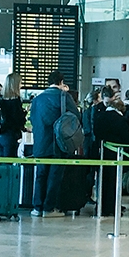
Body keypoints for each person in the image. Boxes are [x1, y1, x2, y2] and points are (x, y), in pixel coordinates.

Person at [29, 70, 80, 218]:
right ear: (61, 82)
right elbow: (75, 117)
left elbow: (33, 119)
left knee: (41, 175)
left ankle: (37, 207)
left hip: (40, 143)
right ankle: (49, 208)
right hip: (58, 143)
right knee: (55, 176)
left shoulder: (37, 99)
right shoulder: (64, 97)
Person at [93, 86, 129, 216]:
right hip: (116, 155)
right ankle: (112, 207)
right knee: (114, 182)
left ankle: (101, 206)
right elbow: (126, 137)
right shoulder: (120, 120)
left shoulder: (100, 116)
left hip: (101, 153)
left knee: (102, 181)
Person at [0, 73, 26, 158]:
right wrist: (25, 112)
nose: (21, 85)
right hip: (11, 135)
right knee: (9, 165)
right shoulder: (16, 101)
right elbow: (17, 119)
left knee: (1, 163)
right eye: (20, 83)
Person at [82, 89, 102, 160]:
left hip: (87, 139)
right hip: (92, 140)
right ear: (95, 100)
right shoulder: (94, 111)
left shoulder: (86, 111)